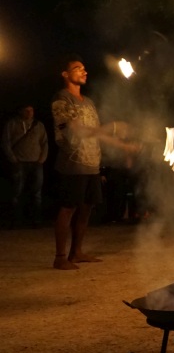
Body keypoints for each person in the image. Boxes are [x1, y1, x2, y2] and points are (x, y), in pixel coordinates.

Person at [51, 56, 138, 270]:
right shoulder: (62, 99)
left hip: (92, 162)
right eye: (77, 68)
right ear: (65, 74)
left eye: (84, 68)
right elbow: (75, 129)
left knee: (86, 208)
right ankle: (60, 257)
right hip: (73, 163)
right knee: (68, 208)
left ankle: (76, 252)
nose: (84, 71)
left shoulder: (88, 102)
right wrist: (111, 127)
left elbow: (96, 133)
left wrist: (123, 146)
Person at [2, 104, 48, 227]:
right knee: (17, 192)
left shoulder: (38, 125)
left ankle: (36, 220)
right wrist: (13, 159)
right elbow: (6, 142)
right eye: (26, 110)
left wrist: (41, 159)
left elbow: (44, 143)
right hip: (19, 163)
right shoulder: (12, 124)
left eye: (31, 110)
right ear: (20, 111)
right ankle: (16, 220)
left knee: (36, 192)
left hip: (36, 163)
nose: (29, 113)